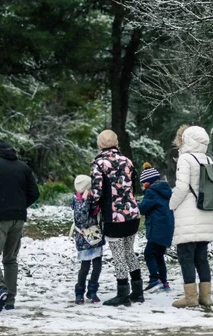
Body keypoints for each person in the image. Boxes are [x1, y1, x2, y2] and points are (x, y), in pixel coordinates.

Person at [0, 139, 40, 315]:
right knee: (10, 259)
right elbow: (35, 192)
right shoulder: (23, 167)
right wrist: (19, 207)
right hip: (18, 218)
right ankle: (10, 300)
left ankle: (0, 289)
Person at [90, 129, 143, 306]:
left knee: (119, 255)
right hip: (133, 213)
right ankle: (138, 291)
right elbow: (134, 187)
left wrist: (91, 208)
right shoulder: (127, 161)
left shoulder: (99, 164)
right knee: (129, 252)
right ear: (116, 142)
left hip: (114, 217)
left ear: (100, 144)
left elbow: (97, 192)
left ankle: (123, 294)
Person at [168, 125, 213, 308]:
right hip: (205, 213)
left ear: (187, 139)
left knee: (186, 257)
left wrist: (171, 205)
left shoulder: (185, 159)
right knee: (201, 257)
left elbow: (181, 188)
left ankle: (190, 298)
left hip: (188, 216)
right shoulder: (208, 160)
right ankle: (206, 297)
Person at [137, 162, 174, 292]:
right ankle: (164, 282)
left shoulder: (151, 192)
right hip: (167, 228)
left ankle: (154, 279)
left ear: (148, 182)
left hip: (156, 228)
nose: (142, 185)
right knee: (159, 255)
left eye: (143, 183)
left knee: (149, 254)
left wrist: (136, 203)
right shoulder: (166, 190)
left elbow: (143, 209)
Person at [71, 174, 104, 304]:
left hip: (96, 236)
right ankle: (79, 292)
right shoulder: (77, 200)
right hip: (83, 237)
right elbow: (81, 218)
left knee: (97, 265)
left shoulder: (94, 199)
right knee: (85, 267)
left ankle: (92, 291)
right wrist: (85, 201)